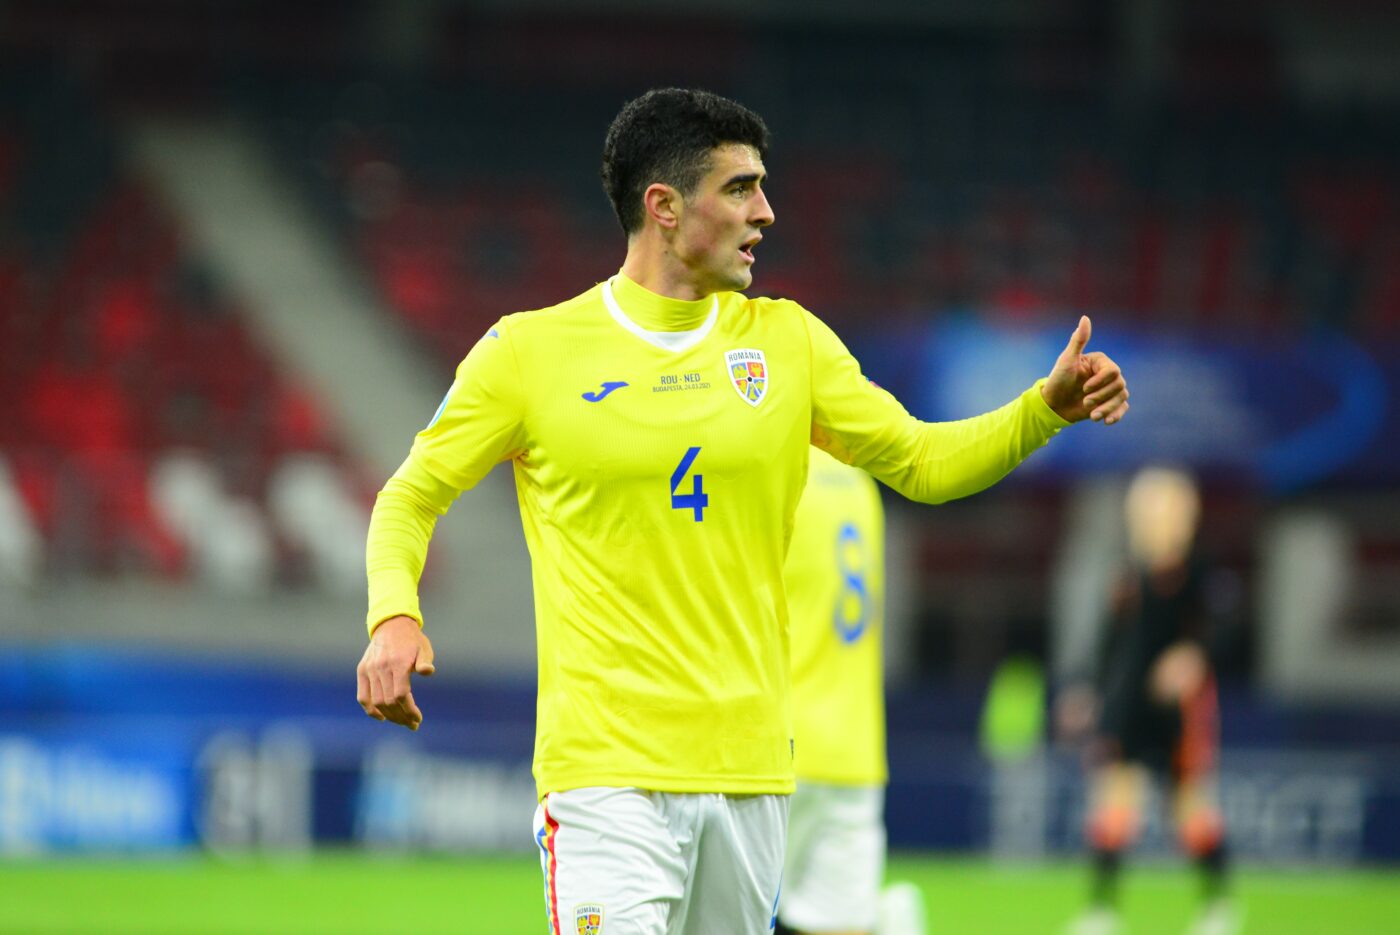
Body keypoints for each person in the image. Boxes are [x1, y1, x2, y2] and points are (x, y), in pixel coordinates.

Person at [356, 87, 1130, 935]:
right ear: (664, 207)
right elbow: (410, 495)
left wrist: (1043, 411)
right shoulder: (528, 353)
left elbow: (922, 462)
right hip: (606, 779)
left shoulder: (788, 343)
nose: (766, 211)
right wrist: (394, 615)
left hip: (753, 780)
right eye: (739, 188)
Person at [1058, 466, 1238, 935]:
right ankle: (1101, 912)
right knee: (1114, 808)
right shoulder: (1129, 573)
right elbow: (1110, 642)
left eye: (1162, 507)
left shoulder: (1200, 572)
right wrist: (1088, 690)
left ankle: (1218, 907)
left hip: (1180, 710)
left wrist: (1192, 656)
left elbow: (1226, 631)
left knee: (1191, 811)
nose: (1151, 518)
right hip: (1128, 707)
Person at [775, 446, 926, 935]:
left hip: (782, 745)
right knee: (839, 921)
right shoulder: (858, 481)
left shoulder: (778, 469)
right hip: (855, 750)